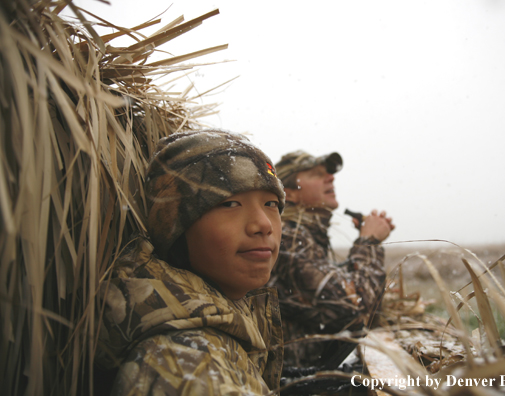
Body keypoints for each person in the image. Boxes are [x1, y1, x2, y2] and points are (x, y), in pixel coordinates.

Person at [95, 130, 285, 395]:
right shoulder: (185, 363)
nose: (263, 225)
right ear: (175, 228)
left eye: (271, 203)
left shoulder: (220, 320)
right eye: (230, 204)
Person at [267, 150, 395, 368]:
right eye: (316, 174)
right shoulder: (288, 238)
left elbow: (332, 293)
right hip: (292, 387)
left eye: (329, 174)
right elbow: (357, 311)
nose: (330, 177)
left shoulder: (304, 236)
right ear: (290, 193)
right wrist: (369, 242)